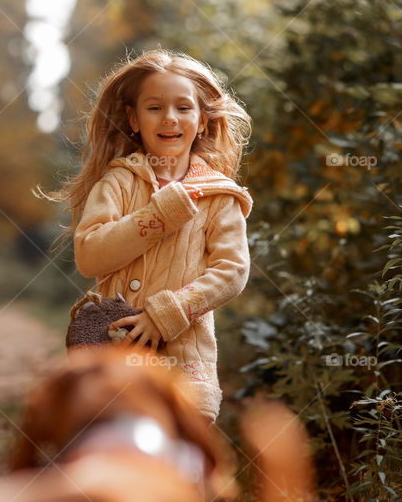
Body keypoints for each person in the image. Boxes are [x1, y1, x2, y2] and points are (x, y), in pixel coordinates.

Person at [52, 48, 253, 421]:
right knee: (110, 448)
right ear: (133, 118)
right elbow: (89, 255)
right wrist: (160, 215)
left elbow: (232, 271)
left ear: (204, 120)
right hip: (110, 348)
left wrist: (165, 314)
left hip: (184, 356)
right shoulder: (117, 182)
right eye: (155, 107)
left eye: (183, 107)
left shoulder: (219, 195)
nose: (170, 118)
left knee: (183, 459)